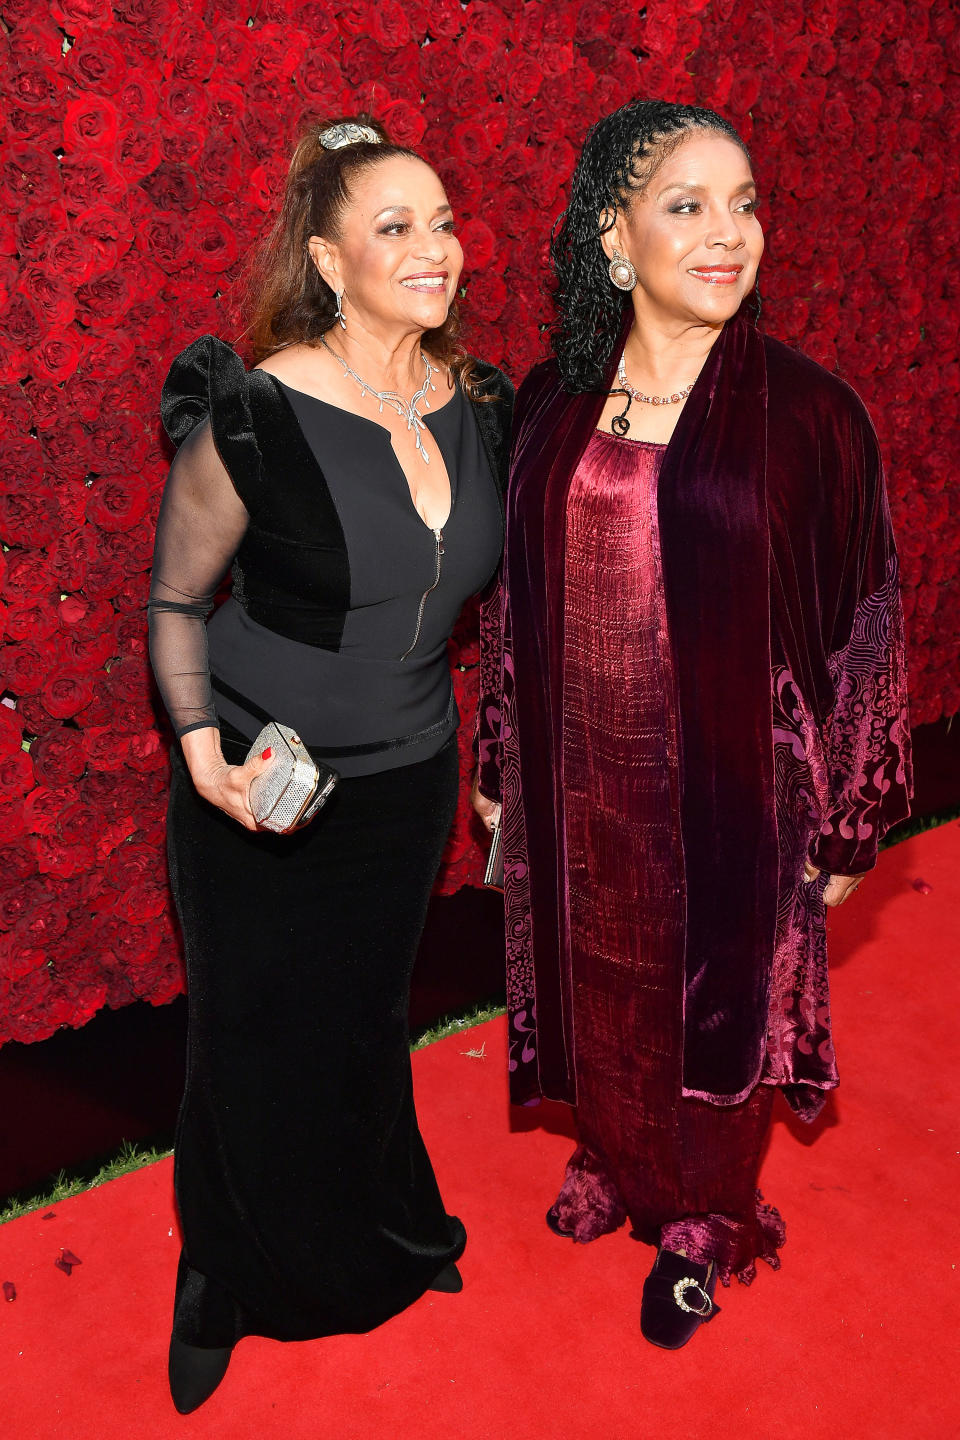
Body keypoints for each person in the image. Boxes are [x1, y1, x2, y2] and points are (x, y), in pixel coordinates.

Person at [472, 99, 911, 1349]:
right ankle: (616, 1161)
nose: (729, 235)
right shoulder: (556, 396)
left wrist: (847, 824)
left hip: (732, 785)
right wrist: (505, 754)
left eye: (746, 204)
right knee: (596, 975)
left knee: (714, 1005)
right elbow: (513, 594)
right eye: (688, 205)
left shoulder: (813, 417)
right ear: (616, 238)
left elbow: (864, 624)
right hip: (579, 776)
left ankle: (706, 1218)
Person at [149, 115, 512, 1412]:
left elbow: (514, 603)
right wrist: (202, 759)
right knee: (248, 1042)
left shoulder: (479, 406)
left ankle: (386, 1236)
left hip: (408, 782)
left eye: (444, 222)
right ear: (326, 256)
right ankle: (223, 1275)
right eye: (394, 227)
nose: (436, 250)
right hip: (261, 789)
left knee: (361, 1031)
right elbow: (178, 604)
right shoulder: (253, 415)